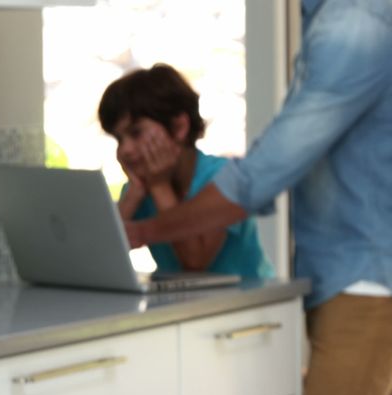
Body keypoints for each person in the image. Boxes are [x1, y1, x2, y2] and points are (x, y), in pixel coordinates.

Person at [124, 0, 392, 395]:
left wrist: (143, 231)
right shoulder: (334, 19)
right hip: (371, 271)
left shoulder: (352, 26)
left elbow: (265, 171)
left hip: (366, 279)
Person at [99, 64, 274, 279]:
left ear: (179, 127)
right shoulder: (141, 189)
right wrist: (134, 194)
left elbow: (195, 261)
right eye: (118, 139)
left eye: (136, 133)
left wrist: (160, 186)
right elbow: (101, 256)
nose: (124, 149)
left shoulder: (220, 177)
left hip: (250, 303)